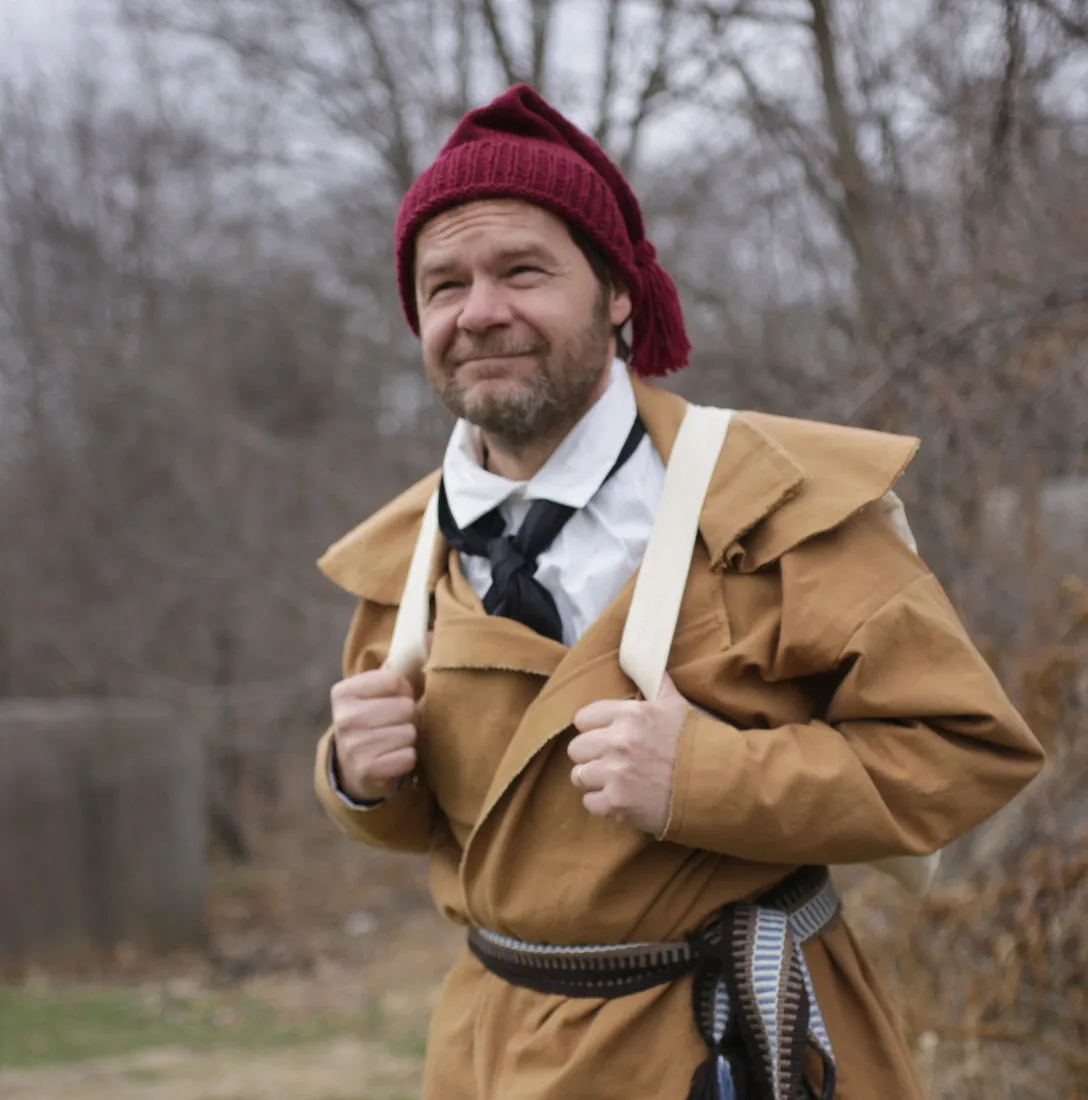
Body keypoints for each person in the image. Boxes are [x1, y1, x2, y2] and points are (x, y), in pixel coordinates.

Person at [313, 84, 1044, 1100]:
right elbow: (459, 821)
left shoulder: (777, 499)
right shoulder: (401, 554)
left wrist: (703, 778)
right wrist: (356, 778)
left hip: (739, 1038)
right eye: (442, 285)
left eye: (522, 270)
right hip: (489, 1052)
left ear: (616, 293)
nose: (479, 311)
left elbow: (963, 752)